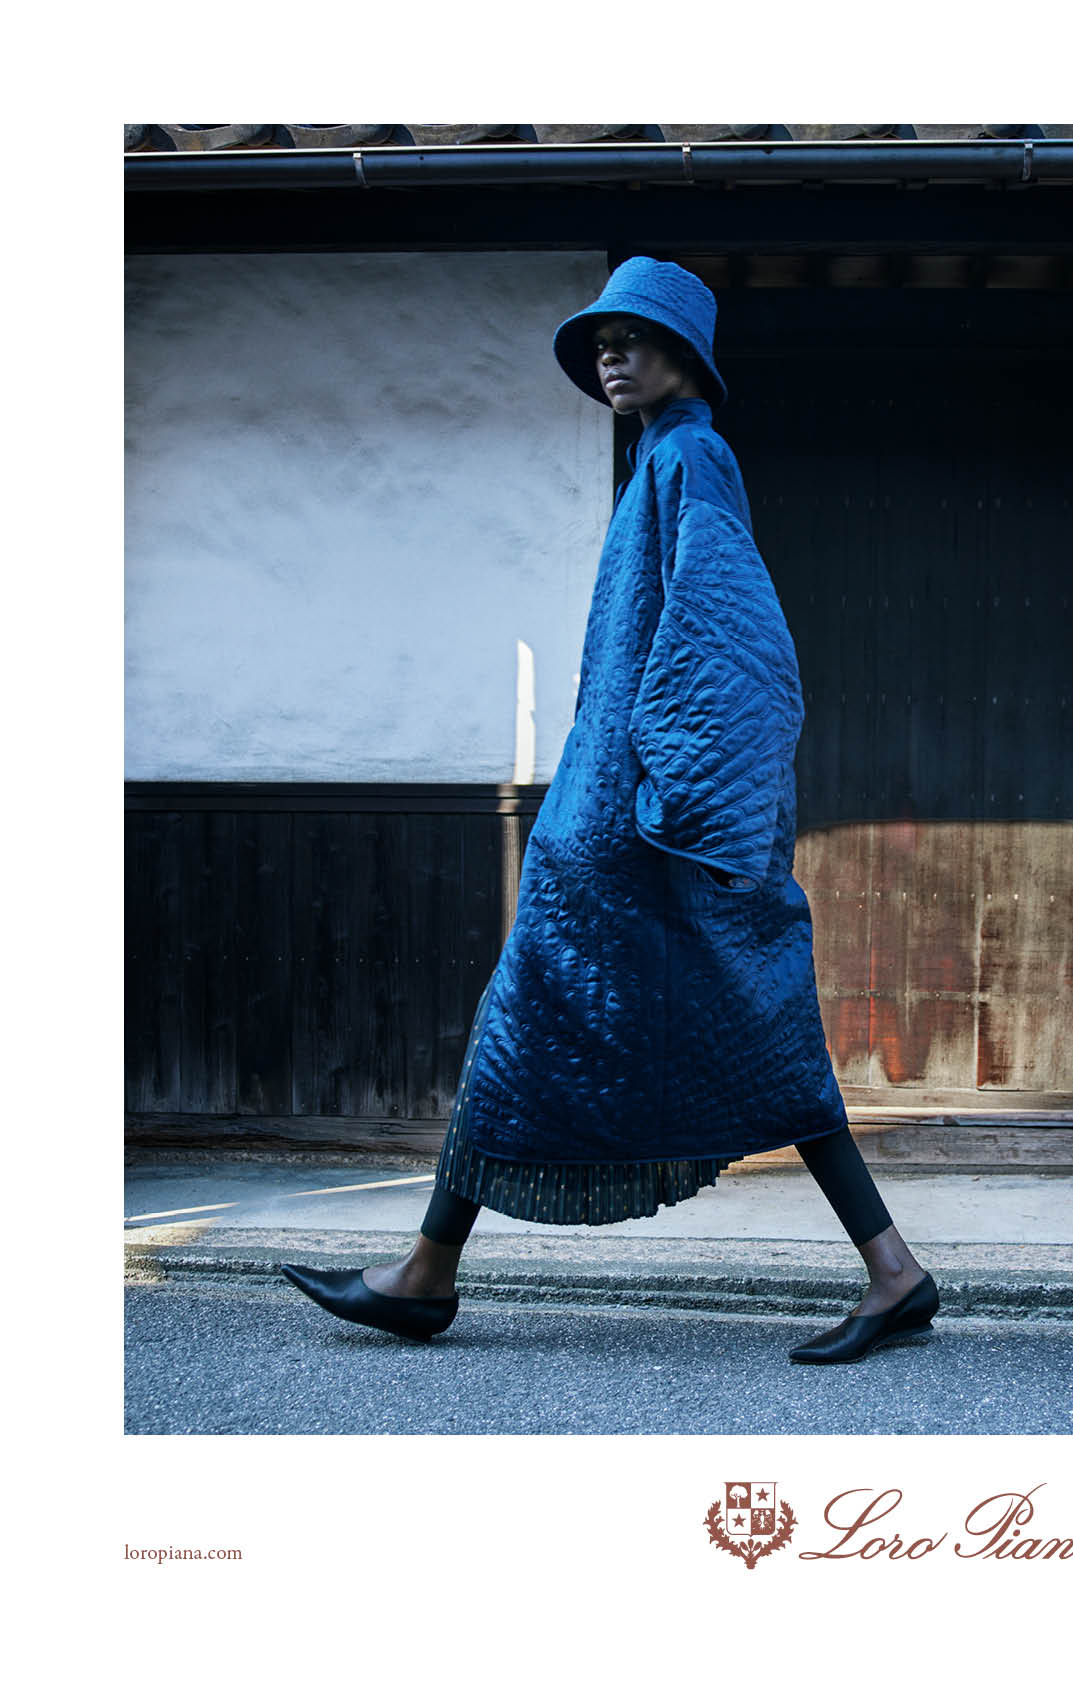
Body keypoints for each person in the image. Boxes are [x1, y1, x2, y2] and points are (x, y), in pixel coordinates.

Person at [282, 257, 938, 1364]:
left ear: (685, 353)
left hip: (634, 823)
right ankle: (891, 1270)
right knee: (722, 1029)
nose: (610, 356)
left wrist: (672, 795)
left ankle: (427, 1274)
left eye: (631, 337)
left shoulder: (690, 456)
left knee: (568, 1018)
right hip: (628, 813)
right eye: (599, 343)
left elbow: (729, 637)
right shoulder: (661, 459)